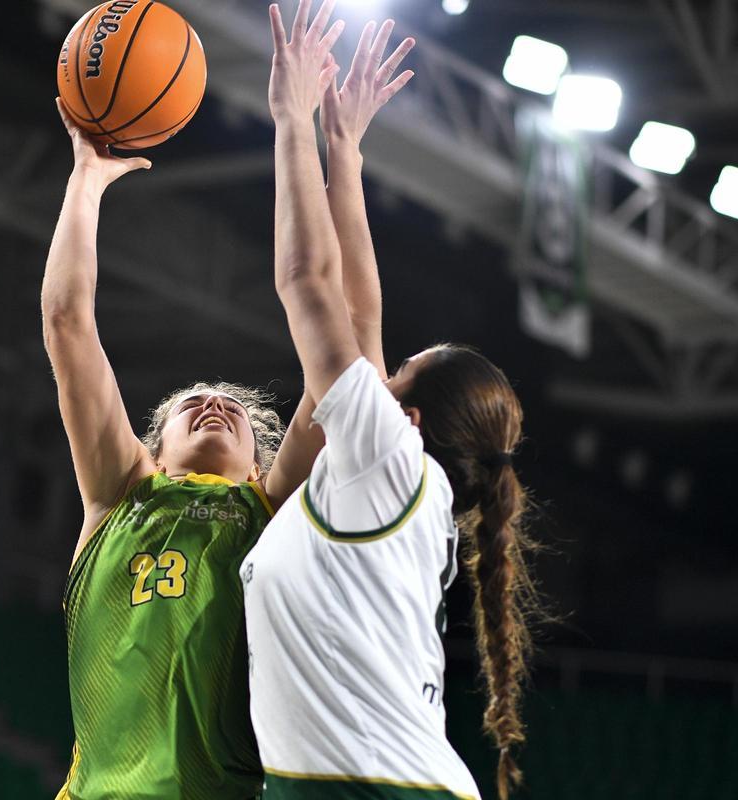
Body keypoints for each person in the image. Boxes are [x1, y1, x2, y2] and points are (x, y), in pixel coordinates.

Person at [42, 51, 370, 792]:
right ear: (152, 452)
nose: (214, 402)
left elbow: (343, 345)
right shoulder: (118, 495)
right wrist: (85, 181)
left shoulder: (273, 507)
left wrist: (336, 155)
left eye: (232, 409)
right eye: (192, 402)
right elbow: (66, 323)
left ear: (261, 463)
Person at [243, 3, 541, 799]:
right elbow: (360, 316)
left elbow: (310, 282)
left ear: (407, 418)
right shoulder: (397, 485)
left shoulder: (391, 465)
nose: (379, 362)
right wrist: (346, 149)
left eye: (400, 367)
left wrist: (291, 118)